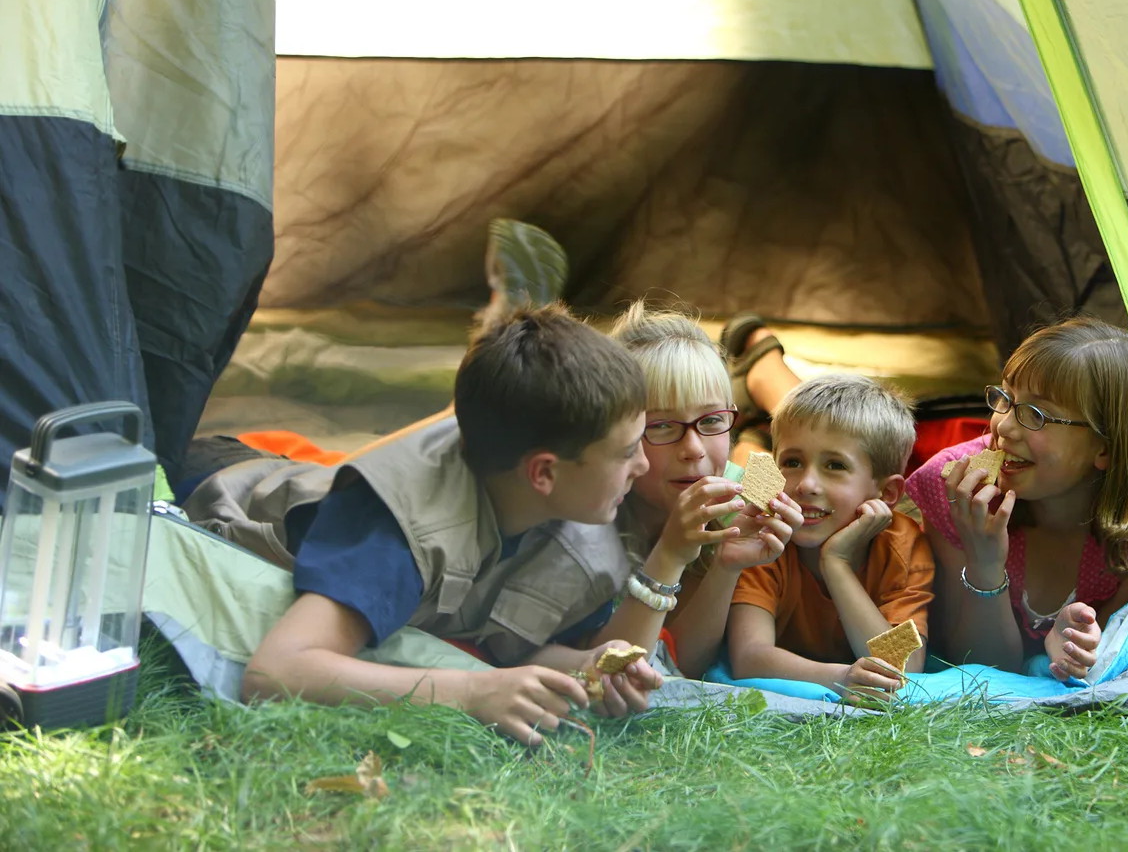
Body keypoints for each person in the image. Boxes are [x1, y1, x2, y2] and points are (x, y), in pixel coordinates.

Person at [181, 304, 663, 745]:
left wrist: (583, 667)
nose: (643, 466)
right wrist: (472, 693)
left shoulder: (569, 519)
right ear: (543, 473)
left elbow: (506, 646)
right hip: (215, 474)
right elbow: (276, 673)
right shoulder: (397, 529)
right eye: (626, 452)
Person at [906, 317, 1128, 681]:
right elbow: (975, 665)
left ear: (1105, 446)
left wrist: (1077, 646)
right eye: (1005, 399)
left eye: (1036, 415)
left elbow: (1105, 646)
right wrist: (985, 563)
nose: (1002, 427)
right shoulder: (953, 486)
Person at [589, 301, 804, 678]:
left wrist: (726, 564)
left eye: (712, 419)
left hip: (744, 464)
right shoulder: (586, 511)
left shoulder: (737, 506)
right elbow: (618, 671)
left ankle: (760, 376)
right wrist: (670, 554)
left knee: (816, 433)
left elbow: (683, 663)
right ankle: (756, 386)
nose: (692, 449)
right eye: (661, 426)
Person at [727, 374, 934, 699]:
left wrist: (835, 562)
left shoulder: (904, 544)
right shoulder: (765, 535)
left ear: (887, 491)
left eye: (834, 465)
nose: (807, 484)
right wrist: (839, 677)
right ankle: (749, 438)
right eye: (792, 462)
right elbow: (747, 657)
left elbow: (903, 666)